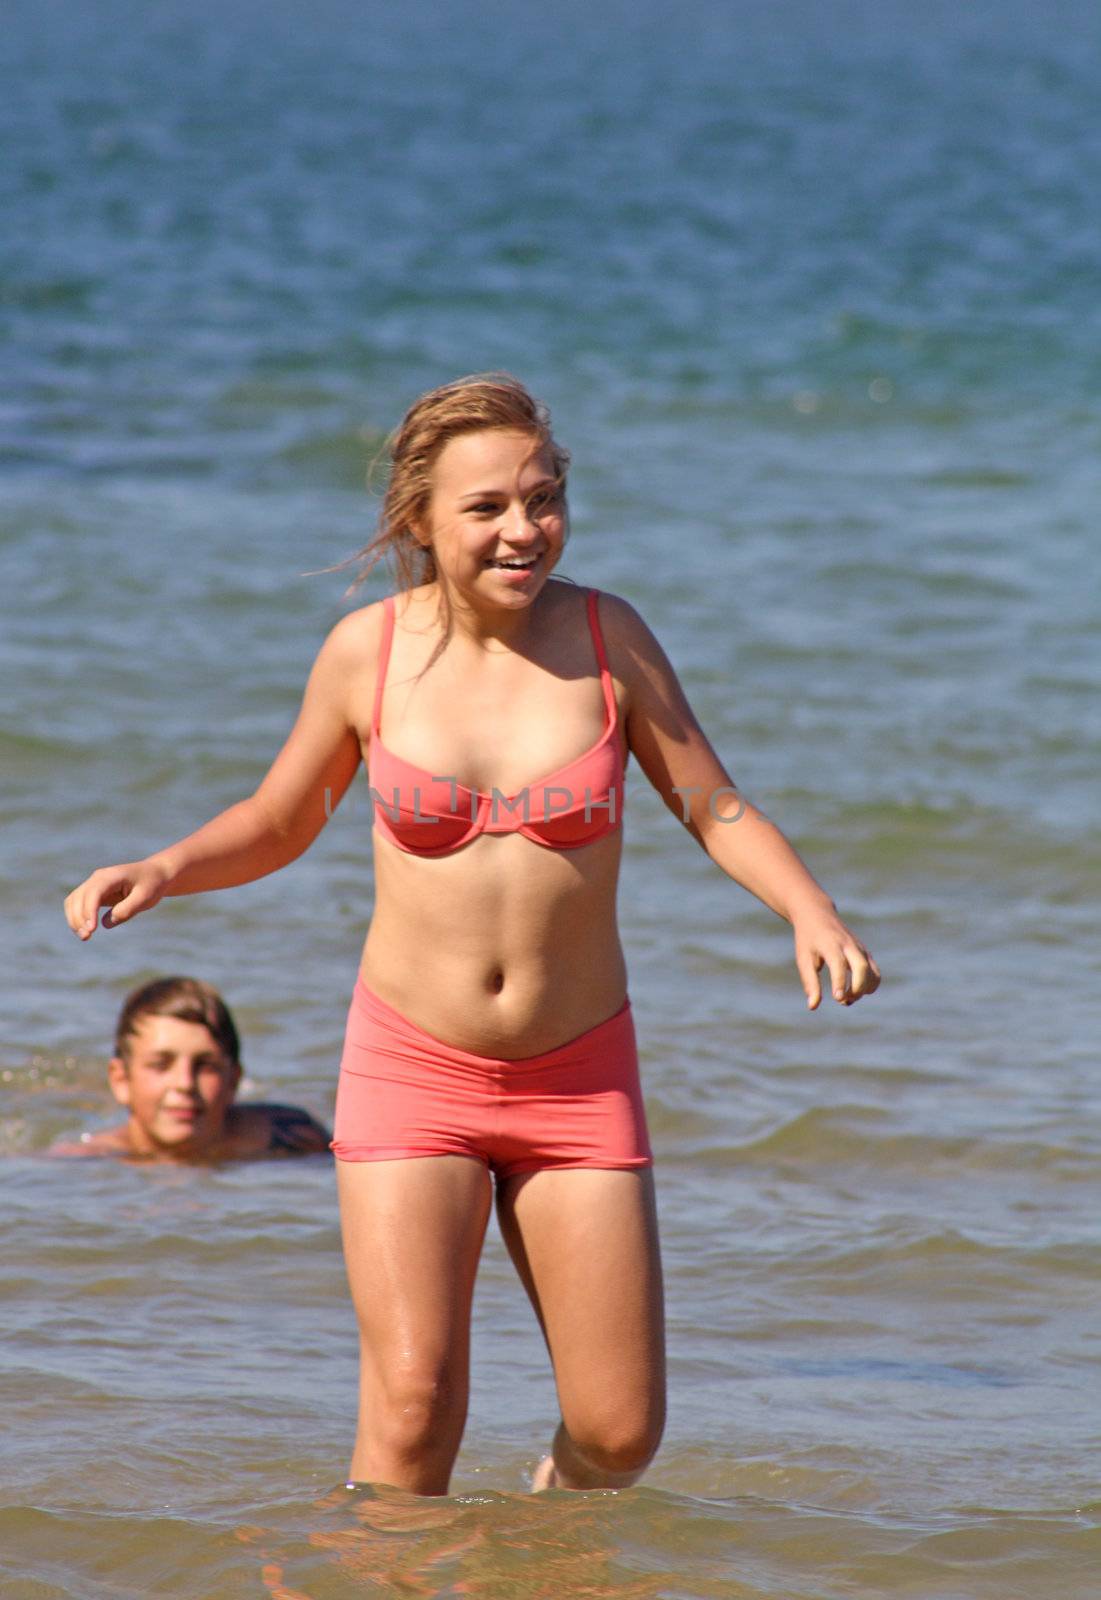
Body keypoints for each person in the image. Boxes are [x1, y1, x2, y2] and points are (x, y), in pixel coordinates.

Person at [64, 373, 880, 1495]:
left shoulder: (610, 639)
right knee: (411, 1415)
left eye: (543, 499)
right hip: (412, 1063)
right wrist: (166, 865)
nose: (523, 529)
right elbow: (280, 817)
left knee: (619, 1429)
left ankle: (536, 1552)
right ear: (419, 520)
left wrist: (808, 906)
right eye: (487, 506)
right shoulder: (369, 652)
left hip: (578, 1071)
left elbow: (714, 802)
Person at [51, 976, 331, 1162]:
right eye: (161, 1065)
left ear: (233, 1081)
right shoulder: (86, 1159)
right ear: (121, 1080)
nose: (184, 1083)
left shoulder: (297, 1139)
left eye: (205, 1066)